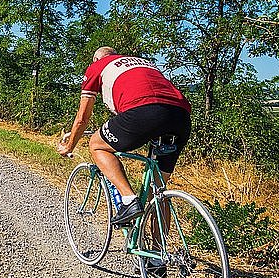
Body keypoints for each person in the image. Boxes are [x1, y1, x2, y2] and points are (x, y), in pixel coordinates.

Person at [57, 46, 191, 226]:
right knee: (157, 190)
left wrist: (69, 145)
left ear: (96, 59)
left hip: (143, 110)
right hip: (180, 116)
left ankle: (129, 200)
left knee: (97, 144)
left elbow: (83, 118)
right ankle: (158, 251)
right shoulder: (144, 63)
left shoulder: (98, 66)